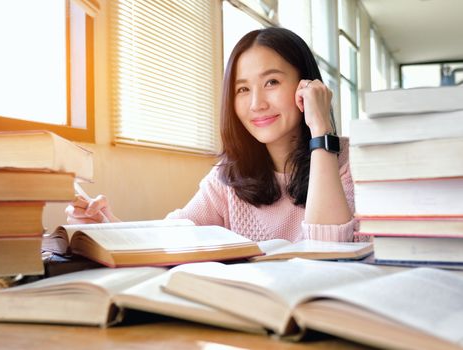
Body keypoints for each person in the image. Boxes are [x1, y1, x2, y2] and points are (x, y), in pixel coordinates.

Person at [66, 27, 359, 243]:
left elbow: (329, 252)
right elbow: (169, 237)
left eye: (271, 82)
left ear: (307, 85)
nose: (256, 103)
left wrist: (321, 132)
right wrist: (106, 226)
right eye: (242, 89)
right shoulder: (229, 179)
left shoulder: (353, 162)